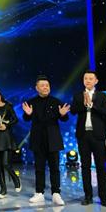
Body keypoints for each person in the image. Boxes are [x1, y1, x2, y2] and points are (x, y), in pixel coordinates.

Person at [22, 75, 70, 205]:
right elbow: (26, 118)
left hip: (53, 139)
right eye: (42, 86)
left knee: (55, 168)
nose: (45, 87)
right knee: (39, 168)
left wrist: (62, 114)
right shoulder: (31, 102)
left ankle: (56, 193)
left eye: (47, 85)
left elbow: (65, 118)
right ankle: (39, 193)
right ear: (37, 88)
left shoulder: (56, 101)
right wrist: (28, 114)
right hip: (38, 139)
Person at [70, 70, 106, 207]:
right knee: (85, 166)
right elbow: (73, 110)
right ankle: (88, 196)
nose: (88, 80)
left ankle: (103, 196)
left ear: (96, 81)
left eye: (90, 78)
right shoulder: (78, 95)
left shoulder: (102, 96)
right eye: (85, 78)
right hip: (83, 135)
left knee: (100, 166)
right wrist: (84, 104)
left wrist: (92, 106)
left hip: (97, 135)